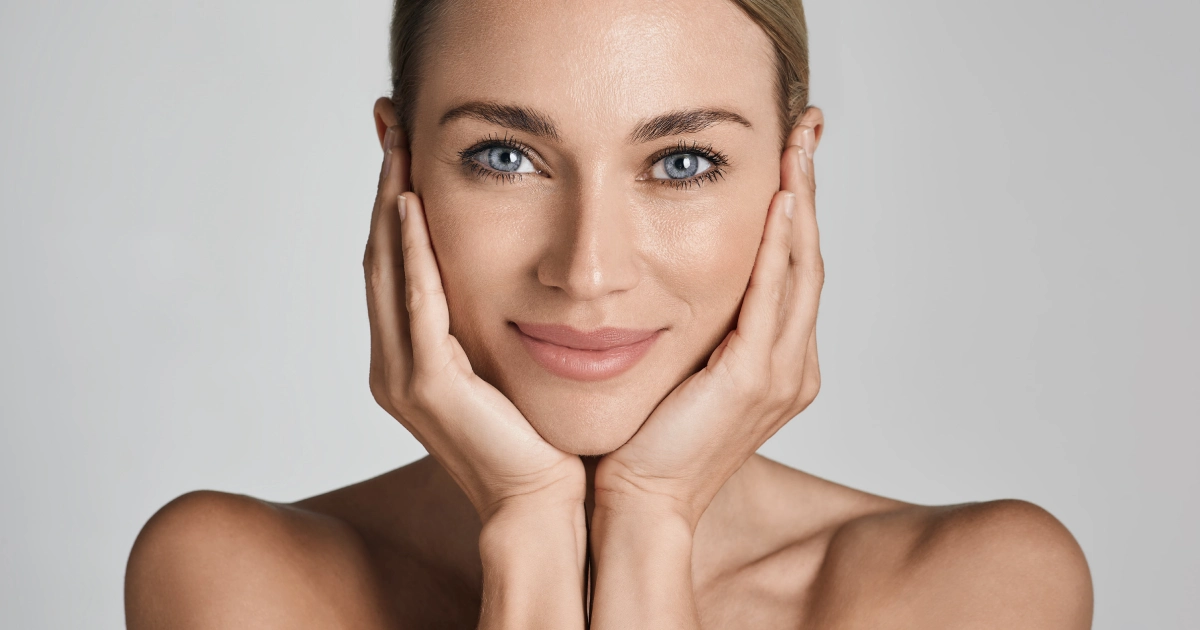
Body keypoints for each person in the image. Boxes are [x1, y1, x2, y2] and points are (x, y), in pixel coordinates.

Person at [124, 0, 1093, 627]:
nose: (587, 270)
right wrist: (530, 534)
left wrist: (650, 521)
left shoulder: (980, 594)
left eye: (681, 163)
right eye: (505, 156)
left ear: (794, 182)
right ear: (400, 165)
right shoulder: (235, 587)